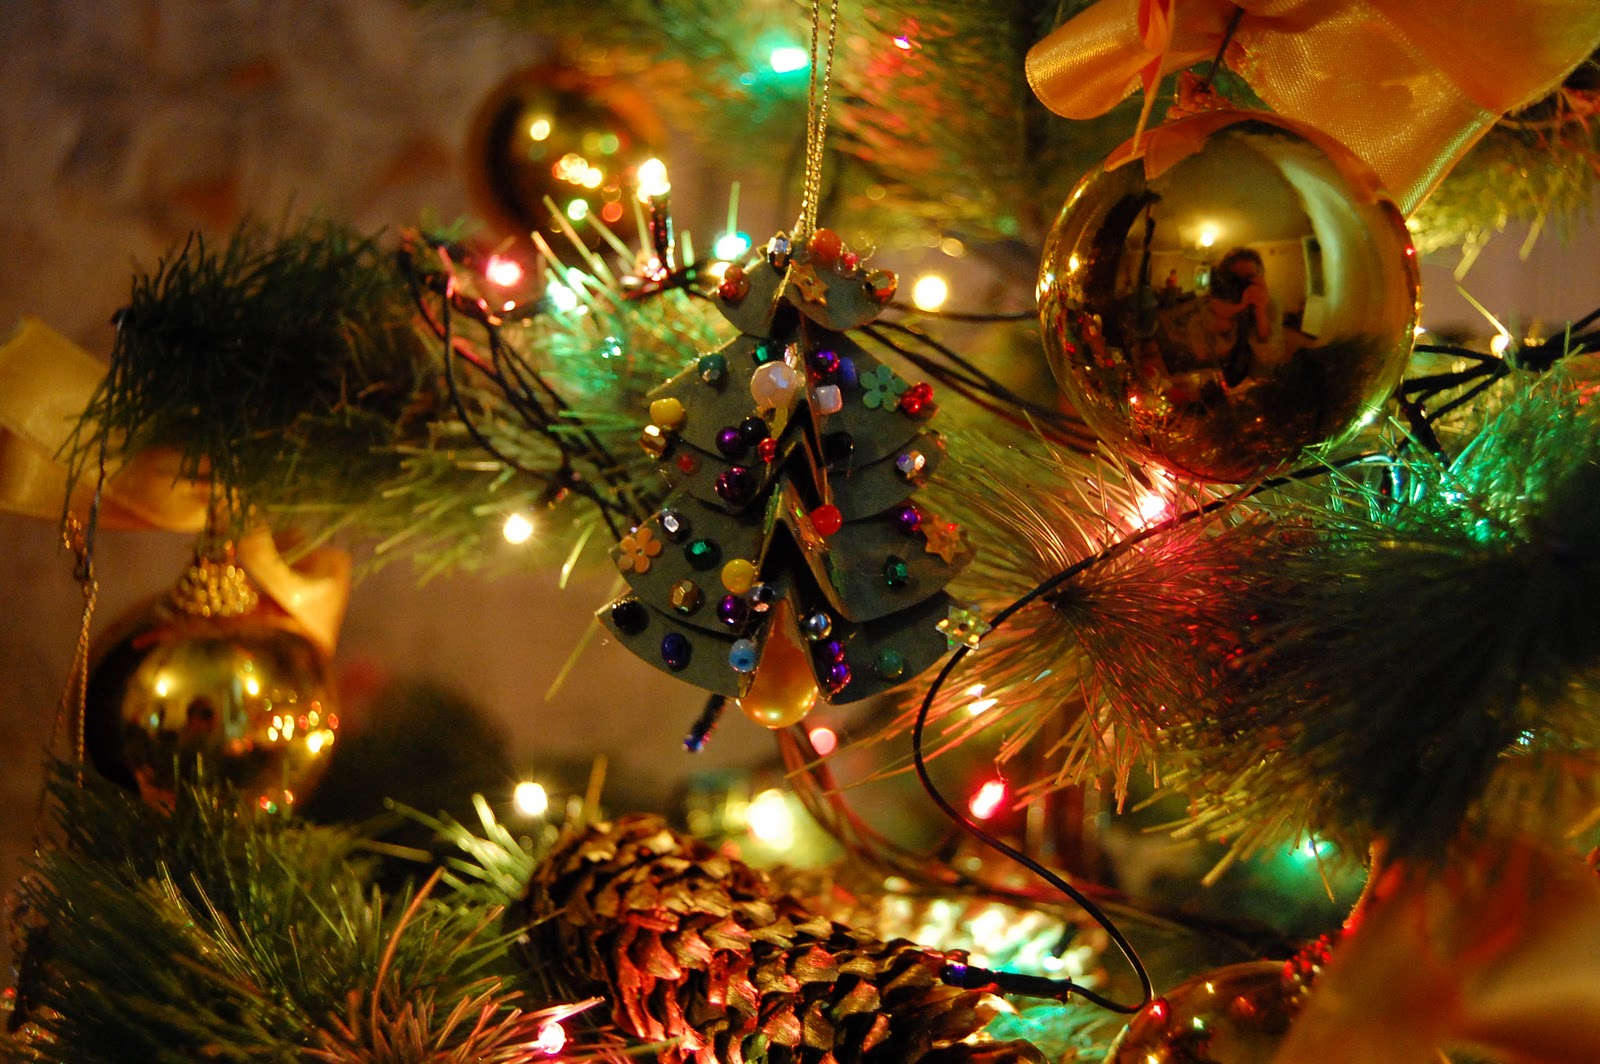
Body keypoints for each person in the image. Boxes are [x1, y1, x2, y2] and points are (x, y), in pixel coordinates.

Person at [1206, 247, 1279, 387]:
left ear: (1260, 278)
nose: (1241, 287)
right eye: (1235, 281)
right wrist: (1224, 315)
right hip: (1215, 383)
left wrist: (1261, 312)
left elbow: (1270, 356)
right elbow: (1205, 358)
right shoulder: (1210, 306)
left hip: (1255, 383)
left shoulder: (1269, 304)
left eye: (1248, 280)